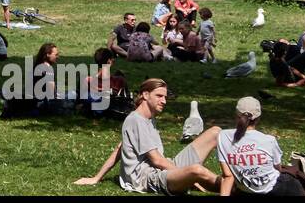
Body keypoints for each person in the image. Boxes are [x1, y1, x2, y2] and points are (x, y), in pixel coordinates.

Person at [75, 78, 222, 194]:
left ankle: (235, 172)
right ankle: (233, 187)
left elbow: (121, 148)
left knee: (215, 132)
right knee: (196, 170)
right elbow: (156, 160)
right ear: (145, 95)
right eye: (159, 96)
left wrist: (97, 177)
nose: (164, 101)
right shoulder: (135, 120)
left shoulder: (149, 117)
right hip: (148, 178)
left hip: (164, 168)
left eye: (165, 97)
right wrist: (189, 177)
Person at [216, 96, 305, 196]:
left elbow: (227, 174)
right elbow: (277, 169)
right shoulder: (269, 140)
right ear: (258, 118)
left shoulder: (223, 137)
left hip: (246, 190)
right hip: (276, 189)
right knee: (295, 174)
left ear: (236, 115)